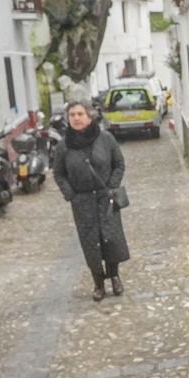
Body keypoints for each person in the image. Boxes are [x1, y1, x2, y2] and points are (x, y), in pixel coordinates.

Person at [52, 100, 130, 300]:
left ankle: (114, 277)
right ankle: (98, 283)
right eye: (72, 115)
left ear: (89, 116)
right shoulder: (63, 146)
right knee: (90, 242)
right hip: (82, 202)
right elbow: (59, 173)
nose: (76, 118)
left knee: (111, 238)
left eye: (80, 114)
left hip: (106, 198)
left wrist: (112, 186)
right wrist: (70, 194)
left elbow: (119, 164)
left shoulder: (105, 138)